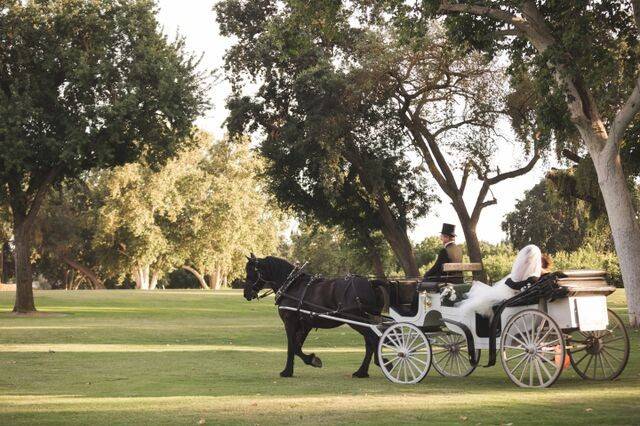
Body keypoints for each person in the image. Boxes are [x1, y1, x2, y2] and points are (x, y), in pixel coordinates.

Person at [455, 244, 543, 317]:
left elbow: (514, 284)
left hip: (514, 295)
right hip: (519, 293)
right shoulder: (536, 273)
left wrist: (508, 281)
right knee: (487, 297)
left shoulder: (530, 275)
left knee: (486, 300)